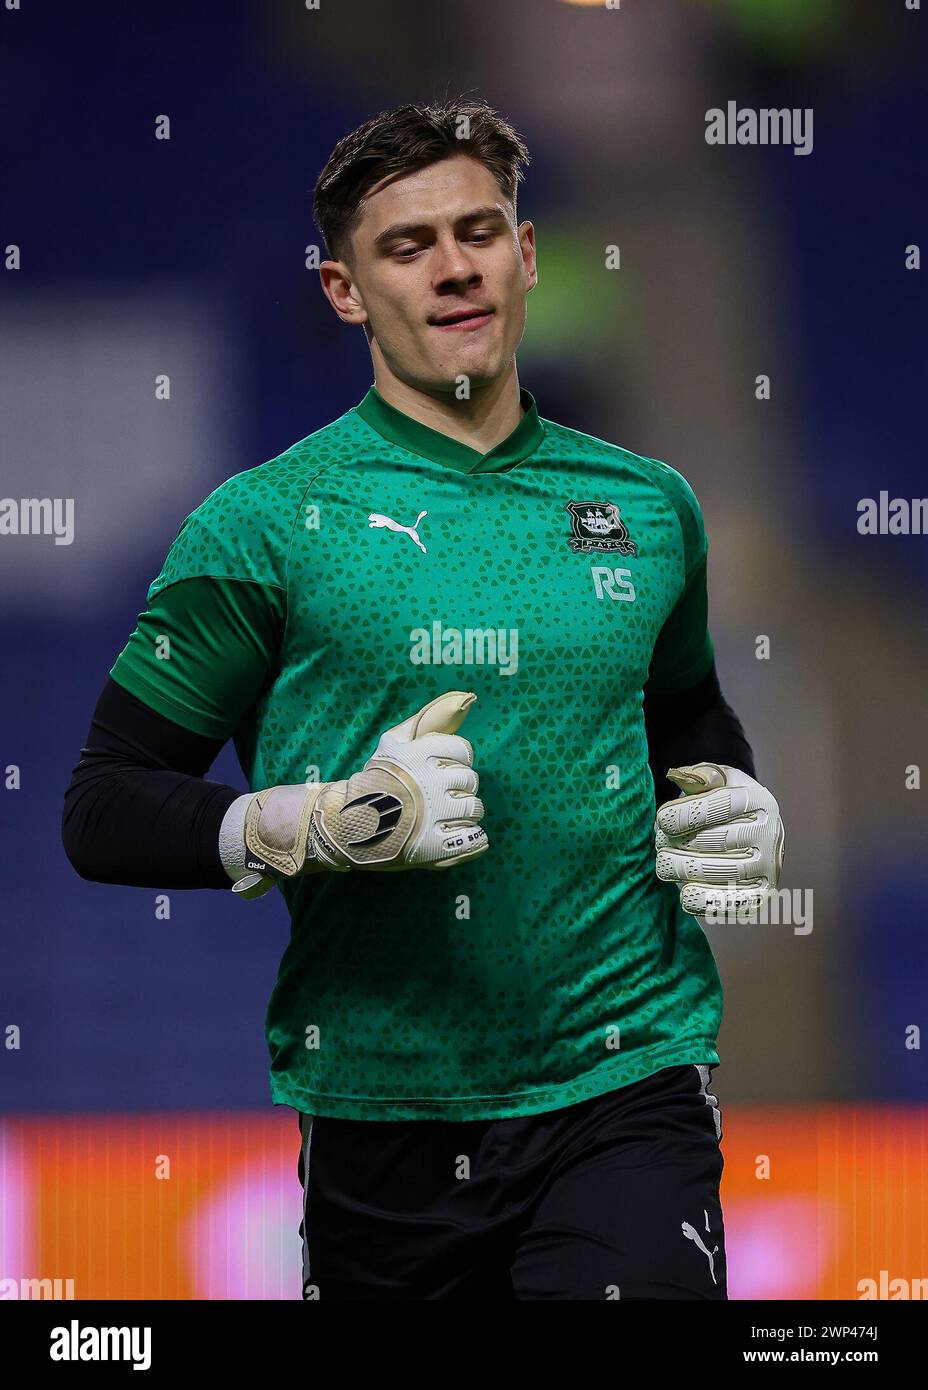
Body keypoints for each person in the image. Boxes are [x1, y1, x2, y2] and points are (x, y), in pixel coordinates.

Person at [62, 97, 784, 1301]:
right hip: (379, 1111)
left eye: (479, 232)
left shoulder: (650, 506)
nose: (454, 268)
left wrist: (729, 793)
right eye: (407, 247)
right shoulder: (264, 525)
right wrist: (312, 824)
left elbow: (685, 706)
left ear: (528, 254)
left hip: (627, 1077)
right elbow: (101, 807)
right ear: (346, 292)